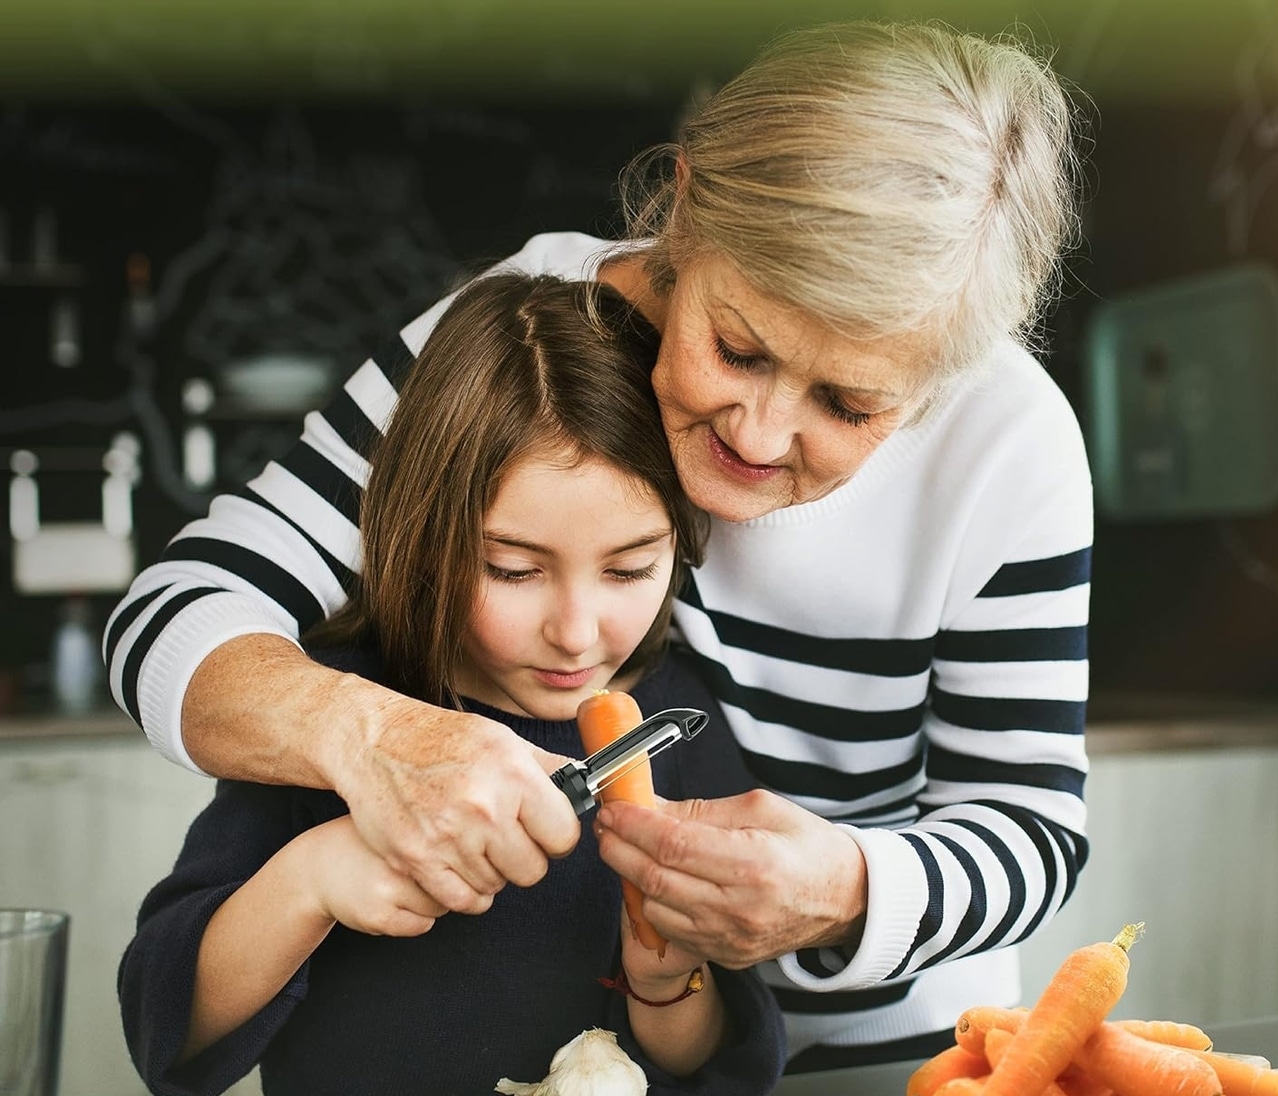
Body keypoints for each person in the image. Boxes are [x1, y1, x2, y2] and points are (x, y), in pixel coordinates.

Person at [105, 20, 1093, 1070]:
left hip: (895, 1055)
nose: (756, 436)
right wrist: (361, 736)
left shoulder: (1008, 449)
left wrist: (846, 888)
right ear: (682, 209)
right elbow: (179, 607)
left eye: (848, 403)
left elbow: (1028, 824)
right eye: (737, 346)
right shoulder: (531, 335)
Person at [117, 274, 786, 1096]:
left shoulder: (677, 727)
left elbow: (728, 1065)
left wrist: (664, 979)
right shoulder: (340, 717)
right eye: (511, 568)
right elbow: (167, 1031)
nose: (577, 631)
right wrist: (313, 879)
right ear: (426, 536)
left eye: (630, 567)